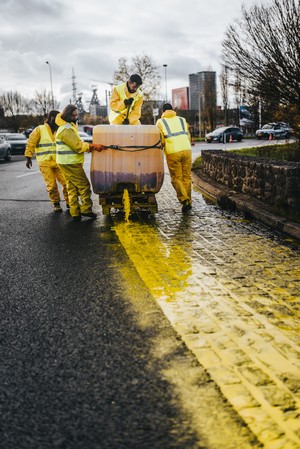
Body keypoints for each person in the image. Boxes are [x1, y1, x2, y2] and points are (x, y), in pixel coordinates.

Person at [55, 104, 104, 221]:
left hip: (66, 162)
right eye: (73, 115)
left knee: (72, 187)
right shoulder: (66, 129)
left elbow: (76, 143)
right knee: (84, 185)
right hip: (70, 163)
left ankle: (75, 212)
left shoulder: (67, 127)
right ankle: (86, 209)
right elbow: (77, 146)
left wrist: (88, 147)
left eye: (76, 115)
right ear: (67, 115)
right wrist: (92, 146)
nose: (76, 117)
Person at [25, 110, 69, 213]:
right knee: (51, 184)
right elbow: (31, 143)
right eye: (58, 118)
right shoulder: (39, 129)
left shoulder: (60, 129)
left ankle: (69, 201)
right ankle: (56, 203)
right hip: (45, 162)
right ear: (52, 118)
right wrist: (28, 157)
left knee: (67, 182)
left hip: (59, 161)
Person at [156, 103, 192, 212]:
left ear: (163, 112)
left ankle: (184, 200)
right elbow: (188, 135)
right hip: (187, 150)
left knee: (177, 178)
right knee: (187, 177)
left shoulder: (160, 122)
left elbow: (161, 141)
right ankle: (189, 201)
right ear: (172, 110)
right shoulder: (182, 119)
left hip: (173, 152)